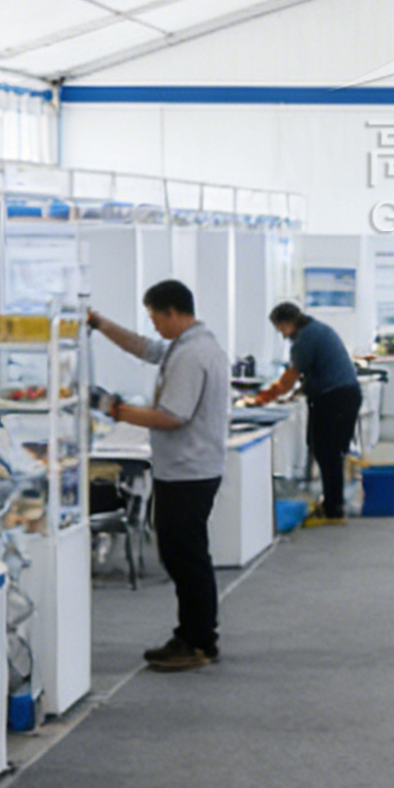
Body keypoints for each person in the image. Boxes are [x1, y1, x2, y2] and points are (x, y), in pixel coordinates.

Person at [87, 279, 230, 671]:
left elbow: (171, 416)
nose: (153, 326)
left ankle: (199, 641)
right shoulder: (191, 345)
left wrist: (114, 409)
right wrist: (101, 324)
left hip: (188, 471)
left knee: (185, 558)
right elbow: (146, 349)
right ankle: (192, 634)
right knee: (183, 555)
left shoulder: (191, 355)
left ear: (172, 312)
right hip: (189, 469)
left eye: (155, 318)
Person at [246, 302, 364, 521]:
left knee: (326, 451)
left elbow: (289, 378)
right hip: (345, 395)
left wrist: (263, 398)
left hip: (333, 398)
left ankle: (333, 508)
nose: (282, 334)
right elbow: (313, 372)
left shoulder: (305, 339)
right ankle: (334, 502)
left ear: (287, 322)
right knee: (328, 450)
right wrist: (297, 392)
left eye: (280, 328)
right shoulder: (316, 329)